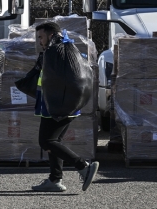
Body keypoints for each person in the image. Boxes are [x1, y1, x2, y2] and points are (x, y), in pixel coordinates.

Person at [16, 22, 98, 192]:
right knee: (54, 141)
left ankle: (83, 166)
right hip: (69, 105)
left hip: (56, 106)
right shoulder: (67, 48)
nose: (39, 41)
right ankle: (55, 180)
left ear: (51, 35)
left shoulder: (56, 52)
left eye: (41, 37)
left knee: (46, 141)